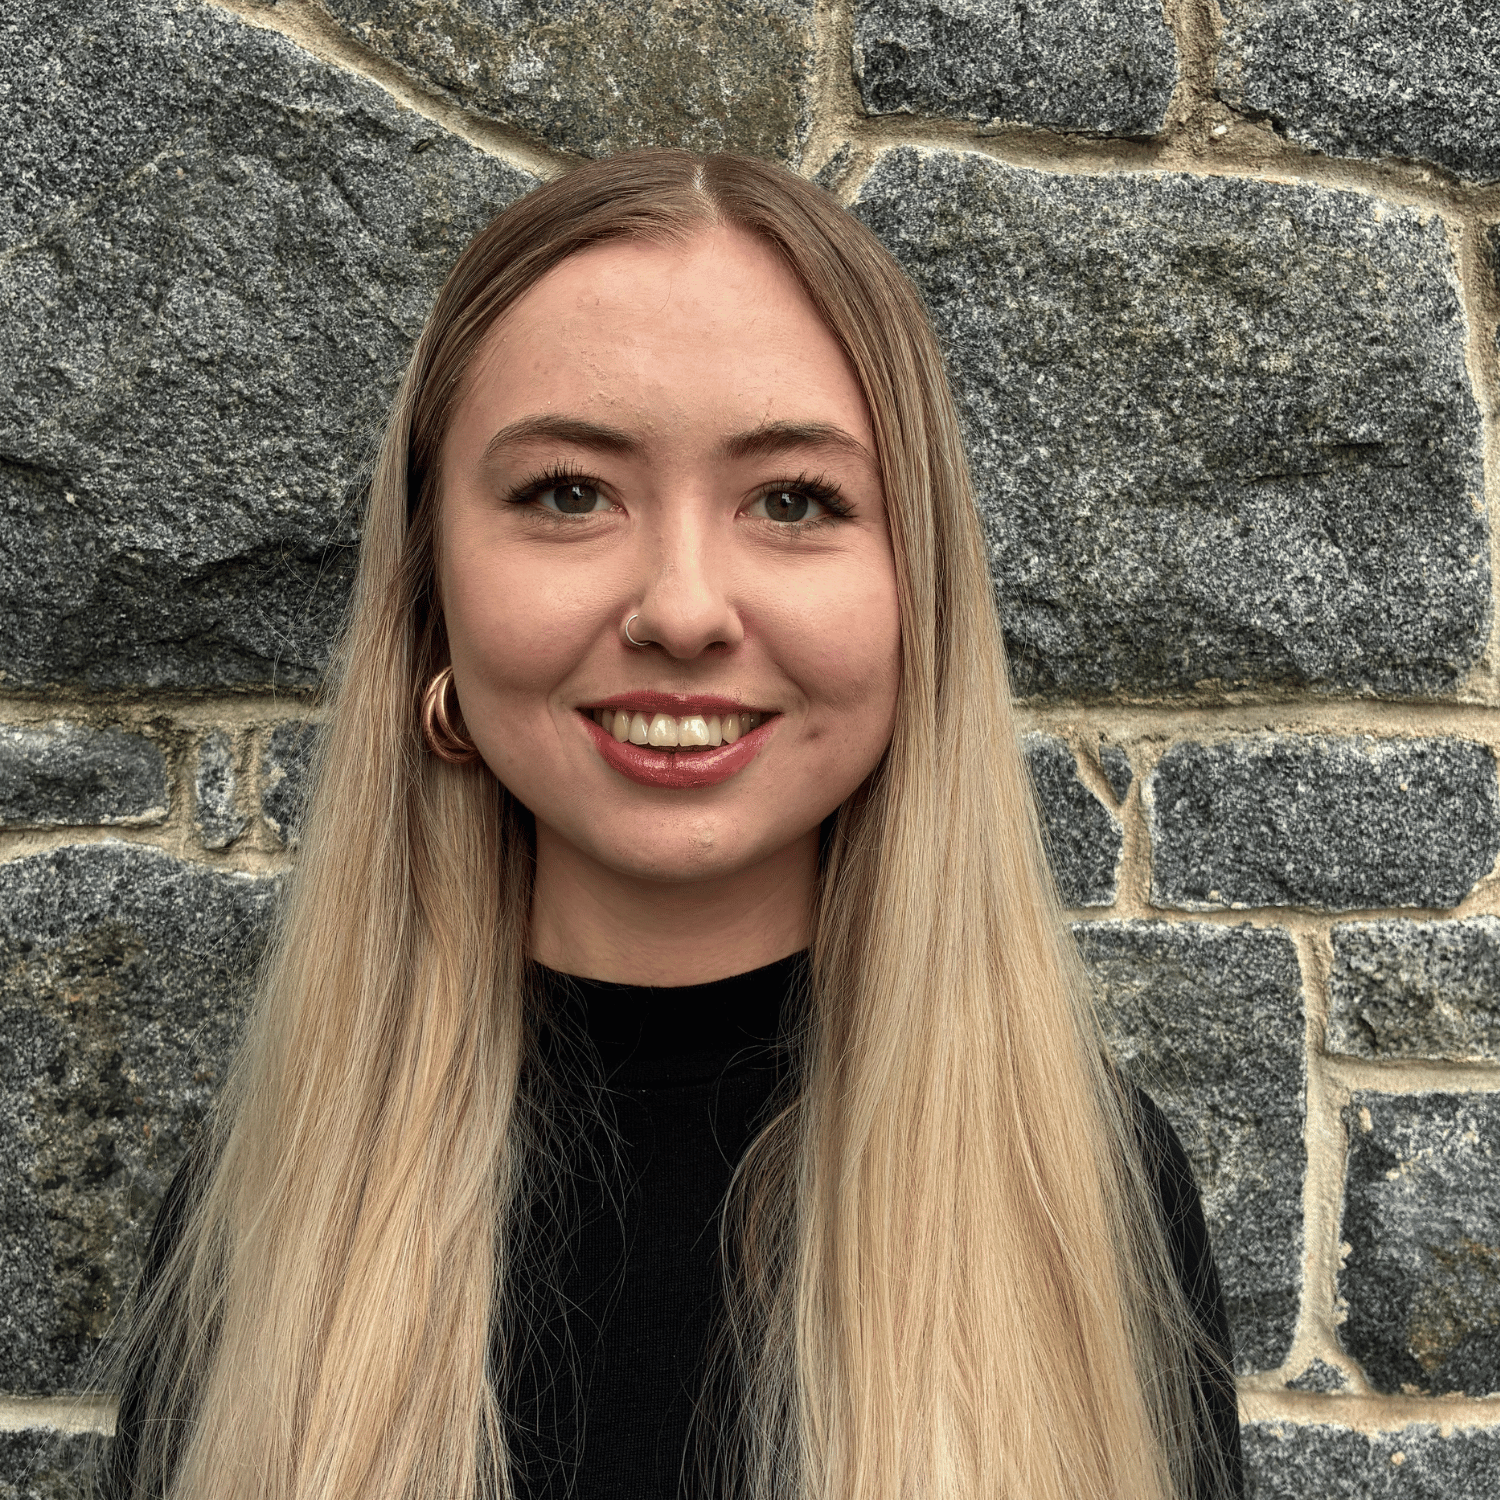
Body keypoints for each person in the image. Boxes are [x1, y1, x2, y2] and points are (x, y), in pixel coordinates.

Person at [99, 149, 1243, 1500]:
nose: (684, 608)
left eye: (795, 501)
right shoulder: (277, 1209)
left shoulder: (1078, 1198)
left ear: (915, 585)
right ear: (429, 592)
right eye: (567, 493)